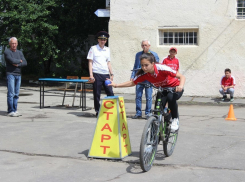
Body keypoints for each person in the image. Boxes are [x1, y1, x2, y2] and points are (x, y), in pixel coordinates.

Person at [109, 53, 185, 131]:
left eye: (146, 65)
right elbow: (132, 83)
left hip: (175, 88)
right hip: (163, 90)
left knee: (170, 97)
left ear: (152, 64)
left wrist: (180, 86)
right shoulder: (144, 74)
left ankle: (175, 119)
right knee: (157, 110)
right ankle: (154, 135)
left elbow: (182, 76)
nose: (144, 68)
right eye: (142, 65)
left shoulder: (162, 68)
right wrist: (116, 85)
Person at [87, 31, 114, 117]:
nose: (103, 41)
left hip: (105, 74)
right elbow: (90, 62)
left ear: (106, 41)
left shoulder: (107, 49)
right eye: (101, 39)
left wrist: (111, 73)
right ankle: (98, 110)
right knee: (97, 94)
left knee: (110, 92)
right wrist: (91, 75)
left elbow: (108, 62)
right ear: (98, 40)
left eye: (104, 39)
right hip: (97, 74)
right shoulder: (93, 48)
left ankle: (111, 109)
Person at [130, 40, 159, 119]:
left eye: (146, 45)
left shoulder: (154, 54)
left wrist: (155, 78)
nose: (144, 46)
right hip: (139, 77)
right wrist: (132, 76)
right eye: (143, 45)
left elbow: (156, 66)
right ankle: (138, 113)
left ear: (149, 46)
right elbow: (135, 66)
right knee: (138, 96)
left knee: (148, 97)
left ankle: (148, 113)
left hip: (149, 78)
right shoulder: (138, 54)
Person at [4, 37, 27, 117]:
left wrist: (18, 63)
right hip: (10, 74)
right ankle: (10, 111)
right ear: (9, 44)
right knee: (11, 93)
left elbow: (25, 63)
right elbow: (11, 60)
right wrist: (19, 61)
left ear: (17, 44)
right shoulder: (7, 51)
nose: (14, 45)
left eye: (15, 43)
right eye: (12, 43)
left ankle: (15, 110)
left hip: (18, 75)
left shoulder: (20, 52)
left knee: (16, 94)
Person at [161, 47, 180, 112]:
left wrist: (178, 81)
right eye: (171, 51)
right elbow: (161, 69)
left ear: (176, 53)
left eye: (174, 52)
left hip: (173, 81)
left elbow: (177, 70)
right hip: (166, 81)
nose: (172, 53)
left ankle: (170, 110)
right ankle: (165, 108)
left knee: (171, 97)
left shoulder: (177, 60)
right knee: (165, 96)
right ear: (169, 52)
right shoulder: (165, 59)